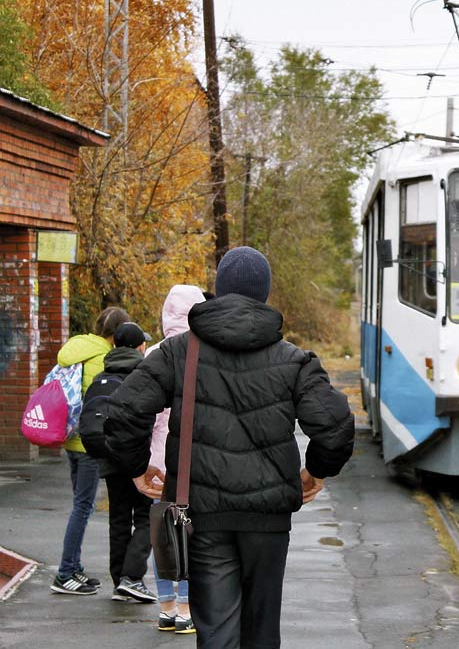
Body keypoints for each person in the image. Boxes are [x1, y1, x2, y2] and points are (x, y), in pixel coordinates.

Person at [104, 247, 355, 648]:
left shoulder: (177, 352)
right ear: (265, 294)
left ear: (218, 290)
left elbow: (123, 412)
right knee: (262, 629)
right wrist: (316, 470)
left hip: (202, 514)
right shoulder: (292, 359)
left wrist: (137, 468)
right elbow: (335, 423)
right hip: (269, 519)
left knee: (216, 632)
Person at [50, 306, 129, 595]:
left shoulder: (76, 347)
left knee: (79, 504)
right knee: (82, 507)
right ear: (118, 334)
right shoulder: (104, 358)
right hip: (89, 442)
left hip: (71, 438)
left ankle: (75, 567)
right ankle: (65, 572)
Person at [80, 322, 158, 603]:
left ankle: (119, 583)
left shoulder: (102, 374)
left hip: (109, 454)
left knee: (119, 518)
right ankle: (133, 577)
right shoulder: (144, 375)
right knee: (148, 516)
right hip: (138, 455)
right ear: (140, 347)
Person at [146, 284, 206, 634]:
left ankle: (166, 606)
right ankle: (187, 606)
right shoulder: (206, 351)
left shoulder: (155, 352)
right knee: (191, 535)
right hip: (195, 460)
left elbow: (144, 413)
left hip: (159, 461)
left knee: (162, 534)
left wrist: (142, 461)